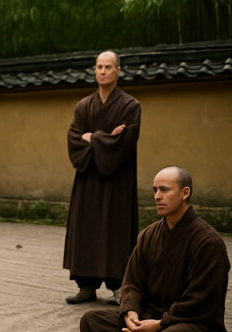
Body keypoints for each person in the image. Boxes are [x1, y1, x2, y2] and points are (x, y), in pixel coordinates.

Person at [80, 166, 230, 332]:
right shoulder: (148, 236)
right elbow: (132, 282)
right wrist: (131, 314)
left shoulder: (208, 242)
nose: (157, 196)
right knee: (91, 321)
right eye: (154, 190)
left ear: (185, 193)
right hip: (148, 318)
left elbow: (202, 301)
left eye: (164, 190)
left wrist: (160, 325)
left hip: (188, 324)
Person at [64, 50, 141, 305]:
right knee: (85, 227)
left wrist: (92, 137)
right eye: (99, 67)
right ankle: (86, 285)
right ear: (94, 70)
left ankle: (119, 287)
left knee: (115, 229)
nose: (103, 71)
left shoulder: (131, 106)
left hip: (117, 180)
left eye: (109, 67)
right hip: (87, 178)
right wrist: (106, 137)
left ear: (119, 70)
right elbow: (74, 138)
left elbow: (125, 141)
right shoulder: (84, 105)